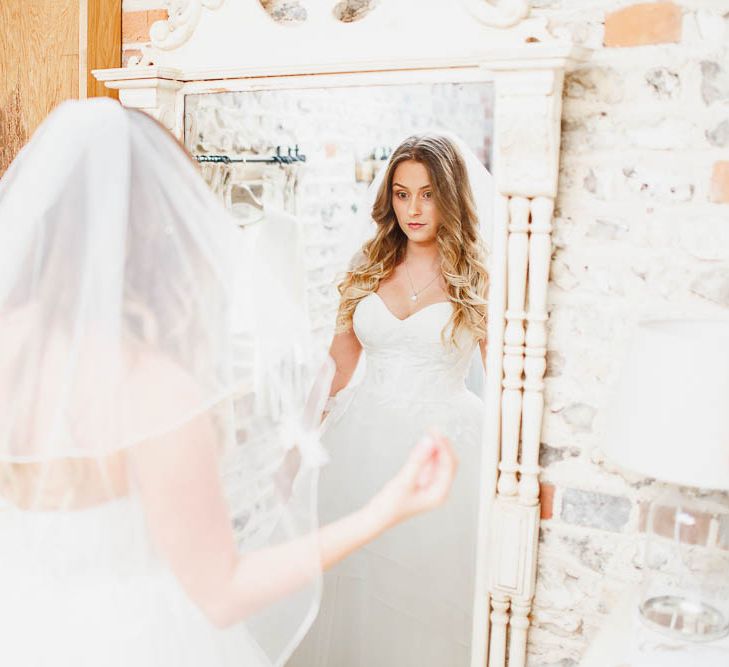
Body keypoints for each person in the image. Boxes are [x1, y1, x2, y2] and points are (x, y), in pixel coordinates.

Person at [0, 99, 458, 667]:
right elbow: (221, 591)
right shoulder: (152, 386)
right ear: (159, 230)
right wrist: (382, 510)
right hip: (128, 641)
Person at [290, 132, 492, 666]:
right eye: (402, 194)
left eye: (427, 193)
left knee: (423, 592)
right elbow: (337, 365)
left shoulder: (476, 276)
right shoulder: (369, 263)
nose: (414, 208)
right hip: (361, 439)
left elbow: (505, 378)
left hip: (444, 444)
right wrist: (299, 434)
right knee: (350, 579)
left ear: (449, 196)